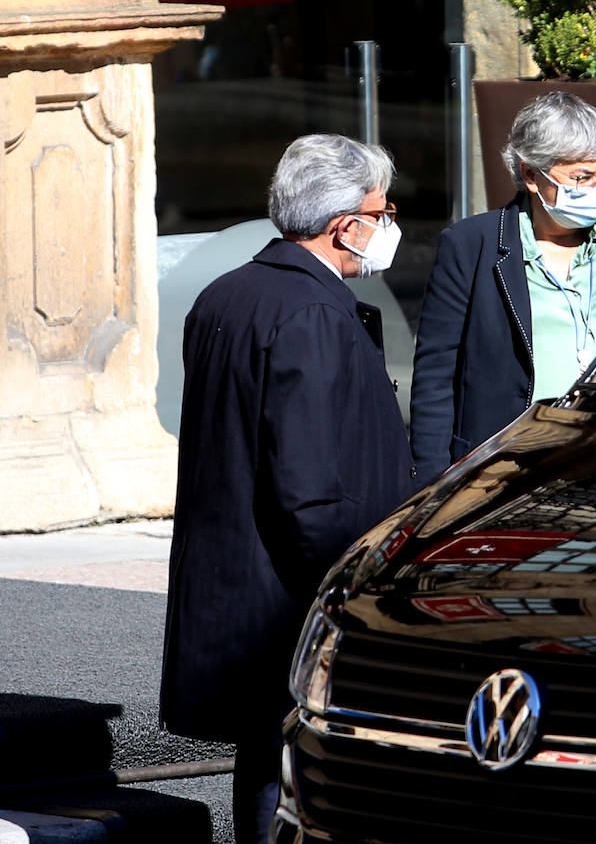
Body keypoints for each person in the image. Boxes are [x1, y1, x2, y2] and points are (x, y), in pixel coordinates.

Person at [160, 134, 414, 844]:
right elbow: (310, 485)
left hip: (239, 581)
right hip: (288, 596)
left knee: (266, 759)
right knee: (294, 774)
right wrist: (352, 592)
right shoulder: (309, 313)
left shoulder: (227, 293)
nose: (387, 224)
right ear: (345, 225)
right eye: (381, 210)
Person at [410, 91, 596, 482]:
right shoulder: (471, 245)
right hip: (510, 468)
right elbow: (435, 375)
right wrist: (433, 482)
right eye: (581, 177)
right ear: (530, 175)